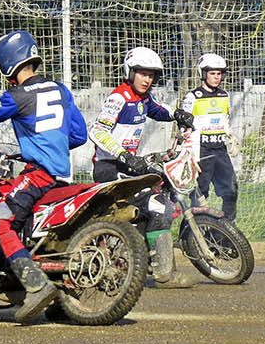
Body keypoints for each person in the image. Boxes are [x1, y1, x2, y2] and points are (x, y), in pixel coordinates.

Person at [0, 29, 88, 322]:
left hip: (38, 175)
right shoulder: (61, 90)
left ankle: (35, 285)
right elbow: (79, 135)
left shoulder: (15, 95)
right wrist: (50, 140)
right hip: (63, 175)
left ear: (7, 64)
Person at [91, 46, 196, 288]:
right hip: (109, 166)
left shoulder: (143, 98)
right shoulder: (119, 98)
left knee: (161, 200)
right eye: (142, 73)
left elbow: (157, 110)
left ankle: (150, 260)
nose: (147, 79)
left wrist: (177, 114)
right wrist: (122, 155)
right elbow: (97, 131)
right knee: (158, 206)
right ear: (130, 72)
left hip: (129, 165)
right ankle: (163, 273)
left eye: (151, 75)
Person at [180, 52, 238, 220]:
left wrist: (231, 135)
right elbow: (184, 125)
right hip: (201, 151)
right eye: (212, 73)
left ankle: (227, 231)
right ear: (203, 74)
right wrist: (188, 151)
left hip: (220, 150)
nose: (216, 77)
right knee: (200, 193)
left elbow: (225, 119)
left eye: (219, 74)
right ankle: (197, 232)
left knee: (231, 190)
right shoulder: (192, 97)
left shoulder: (224, 95)